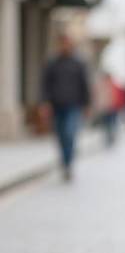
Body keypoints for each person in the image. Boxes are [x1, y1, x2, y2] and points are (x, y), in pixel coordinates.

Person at [41, 34, 90, 181]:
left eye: (67, 44)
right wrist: (44, 103)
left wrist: (86, 104)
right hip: (56, 105)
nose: (64, 47)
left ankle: (68, 164)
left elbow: (84, 85)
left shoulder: (78, 63)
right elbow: (45, 85)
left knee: (70, 134)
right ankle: (64, 162)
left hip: (73, 106)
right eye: (62, 44)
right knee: (60, 136)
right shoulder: (52, 63)